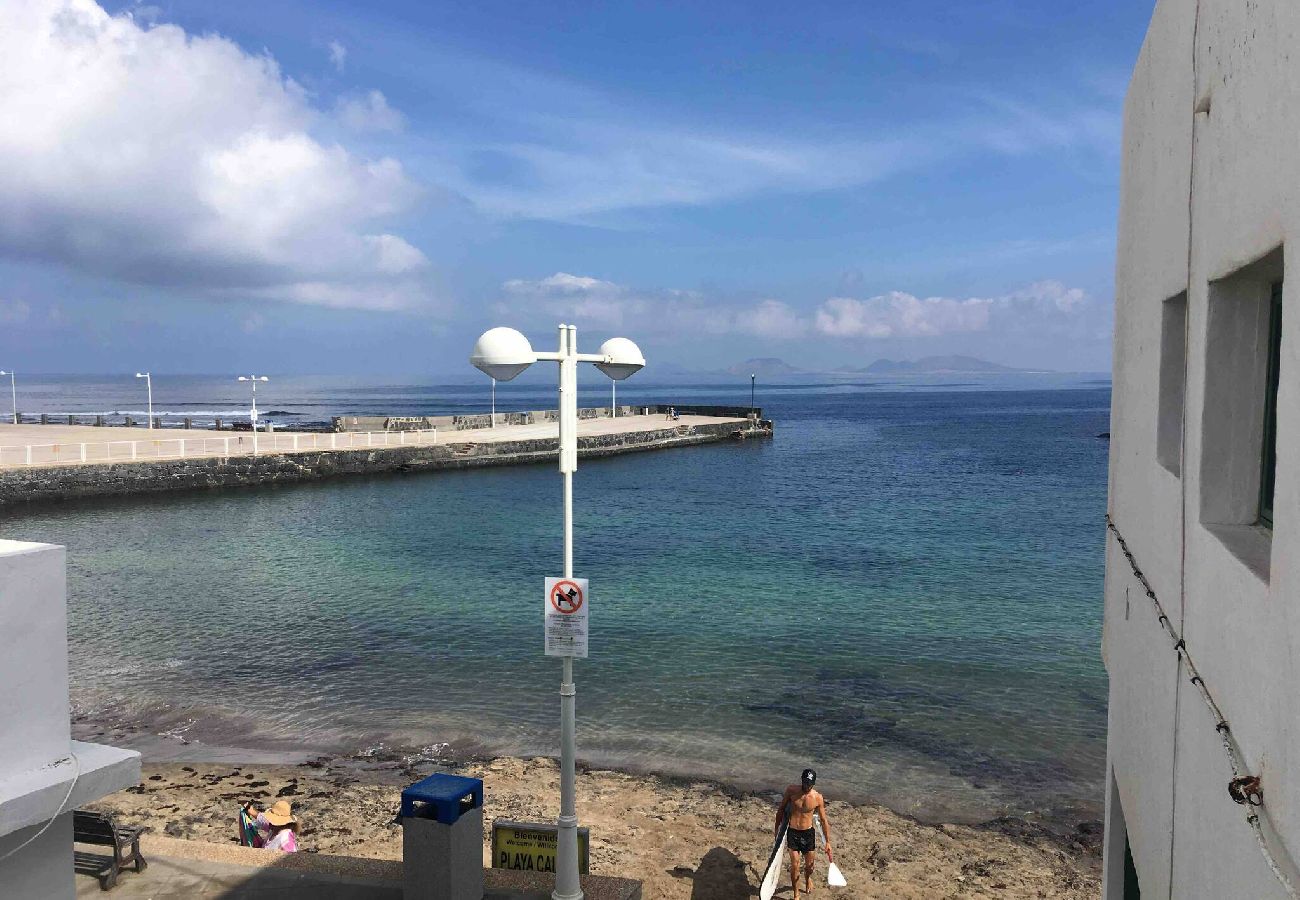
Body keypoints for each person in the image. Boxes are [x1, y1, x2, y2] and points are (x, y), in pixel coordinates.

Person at [775, 768, 831, 899]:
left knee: (809, 866)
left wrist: (828, 842)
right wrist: (776, 829)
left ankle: (808, 879)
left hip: (808, 834)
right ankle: (796, 894)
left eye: (809, 783)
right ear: (801, 780)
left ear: (814, 783)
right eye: (805, 782)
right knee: (795, 865)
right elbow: (781, 809)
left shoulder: (817, 797)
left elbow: (823, 820)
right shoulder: (791, 791)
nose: (807, 786)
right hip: (793, 832)